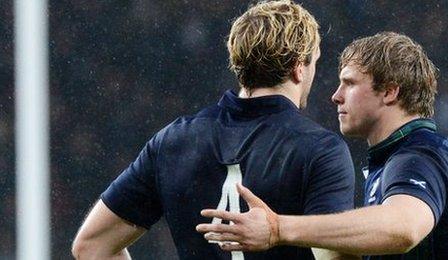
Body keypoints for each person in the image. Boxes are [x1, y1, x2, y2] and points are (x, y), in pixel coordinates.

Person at [71, 1, 357, 259]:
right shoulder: (321, 149)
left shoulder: (174, 141)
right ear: (299, 68)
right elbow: (333, 255)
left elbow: (91, 245)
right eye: (314, 62)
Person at [197, 32, 448, 259]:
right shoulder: (398, 158)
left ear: (389, 91)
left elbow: (403, 228)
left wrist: (278, 229)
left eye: (349, 83)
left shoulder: (421, 154)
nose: (336, 96)